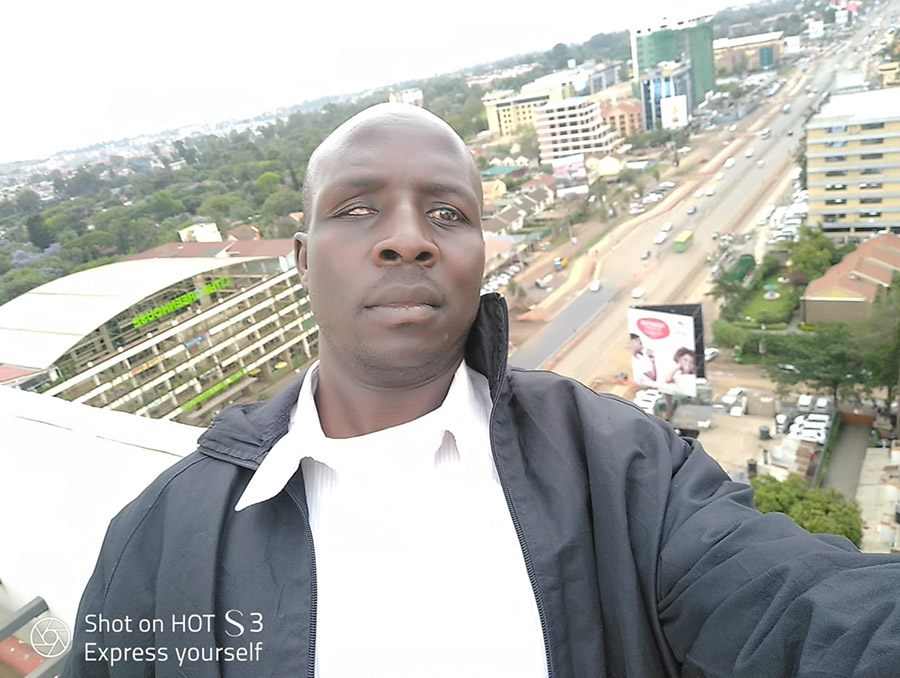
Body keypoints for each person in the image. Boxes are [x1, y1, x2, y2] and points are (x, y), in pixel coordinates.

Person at [65, 104, 900, 678]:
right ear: (300, 258)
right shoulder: (163, 537)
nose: (405, 240)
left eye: (447, 214)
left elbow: (803, 608)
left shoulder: (622, 468)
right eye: (357, 210)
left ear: (480, 254)